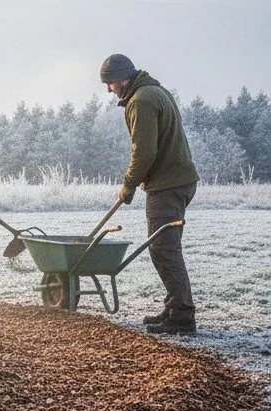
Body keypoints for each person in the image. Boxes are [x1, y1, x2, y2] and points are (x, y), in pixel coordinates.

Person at [100, 53, 200, 334]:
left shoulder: (141, 100)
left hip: (168, 184)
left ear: (121, 79)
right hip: (176, 180)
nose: (108, 89)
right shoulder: (155, 91)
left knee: (164, 249)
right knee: (163, 247)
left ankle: (182, 316)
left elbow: (143, 153)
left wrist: (128, 184)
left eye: (109, 83)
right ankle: (174, 307)